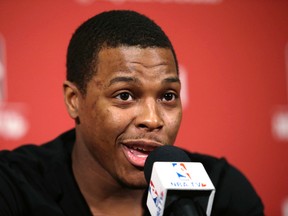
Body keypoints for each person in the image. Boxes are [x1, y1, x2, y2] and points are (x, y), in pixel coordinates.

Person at [0, 10, 264, 216]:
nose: (153, 119)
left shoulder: (222, 191)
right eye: (124, 96)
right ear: (74, 100)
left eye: (167, 96)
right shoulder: (13, 189)